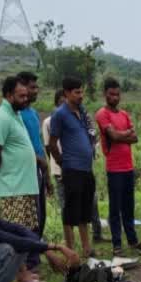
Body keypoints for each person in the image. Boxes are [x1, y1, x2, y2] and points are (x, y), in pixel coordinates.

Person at [0, 76, 44, 282]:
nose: (25, 99)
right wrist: (4, 173)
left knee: (23, 231)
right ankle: (21, 275)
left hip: (25, 186)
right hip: (13, 188)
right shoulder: (2, 117)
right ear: (9, 95)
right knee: (14, 233)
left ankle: (24, 271)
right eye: (21, 96)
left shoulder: (16, 114)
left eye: (26, 95)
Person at [96, 78, 141, 257]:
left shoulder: (124, 114)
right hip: (114, 169)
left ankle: (133, 240)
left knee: (129, 207)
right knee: (115, 209)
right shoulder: (102, 114)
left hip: (128, 167)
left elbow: (135, 138)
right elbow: (113, 136)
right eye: (111, 94)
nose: (115, 97)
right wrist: (125, 134)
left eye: (117, 94)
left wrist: (123, 135)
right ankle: (116, 244)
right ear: (105, 94)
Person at [48, 77, 98, 257]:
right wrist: (62, 162)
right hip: (72, 169)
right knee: (70, 210)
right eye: (77, 92)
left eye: (81, 91)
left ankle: (86, 247)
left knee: (85, 209)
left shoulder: (82, 112)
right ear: (67, 93)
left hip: (86, 169)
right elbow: (52, 143)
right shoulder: (60, 114)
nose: (81, 95)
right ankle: (70, 249)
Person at [15, 72, 56, 245]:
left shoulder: (32, 113)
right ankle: (29, 256)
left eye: (36, 87)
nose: (36, 91)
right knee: (30, 216)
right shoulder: (18, 115)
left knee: (40, 215)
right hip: (26, 172)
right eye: (32, 87)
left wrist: (46, 174)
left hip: (38, 170)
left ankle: (35, 251)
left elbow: (38, 143)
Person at [43, 89, 67, 209]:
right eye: (61, 103)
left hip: (74, 166)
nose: (64, 105)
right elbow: (48, 146)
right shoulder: (48, 122)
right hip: (58, 168)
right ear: (56, 104)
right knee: (64, 202)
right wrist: (55, 161)